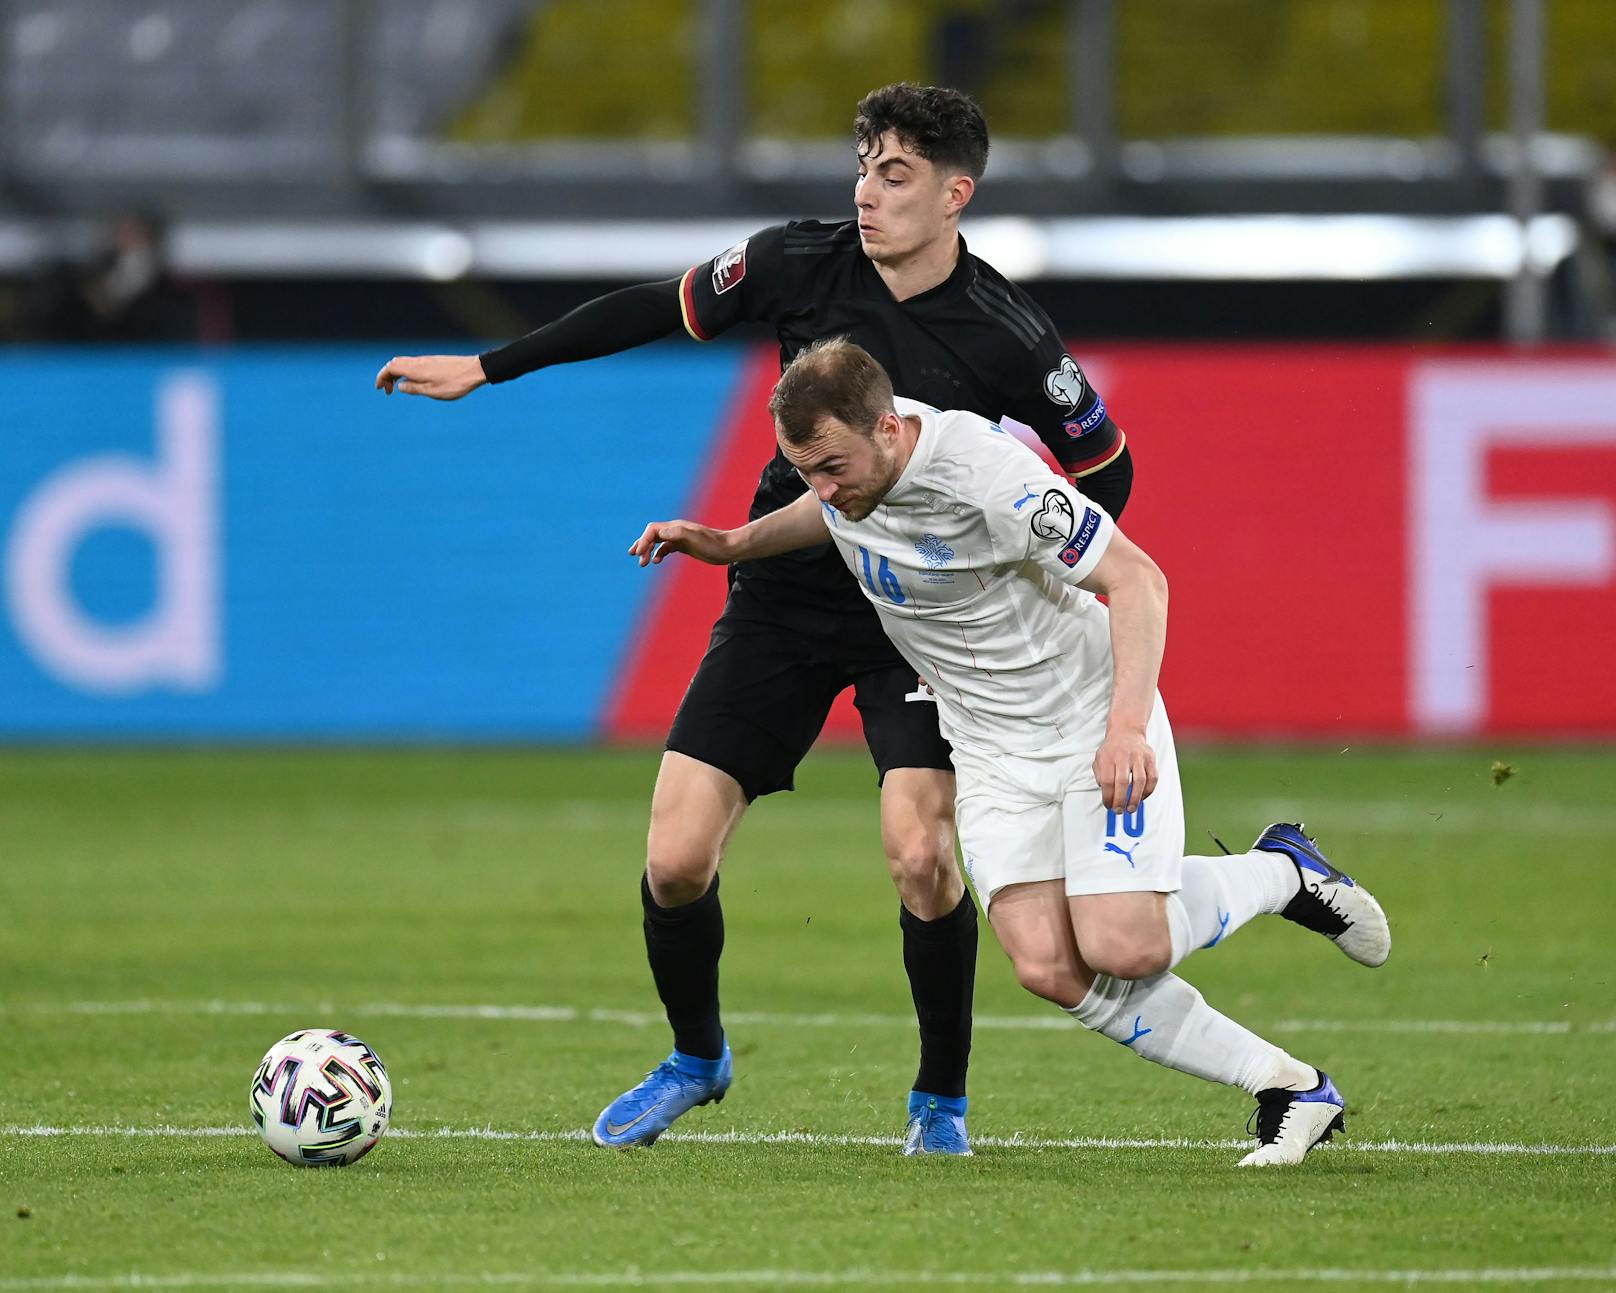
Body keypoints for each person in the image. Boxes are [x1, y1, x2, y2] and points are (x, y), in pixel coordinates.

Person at [376, 84, 1133, 1154]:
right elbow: (654, 305)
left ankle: (938, 1103)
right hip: (781, 593)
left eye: (895, 173)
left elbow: (1107, 468)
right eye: (862, 167)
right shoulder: (797, 263)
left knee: (919, 853)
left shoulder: (1006, 332)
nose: (866, 193)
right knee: (676, 859)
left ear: (955, 193)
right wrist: (490, 367)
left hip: (915, 618)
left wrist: (1017, 566)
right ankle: (696, 1059)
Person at [630, 337, 1392, 1166]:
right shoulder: (854, 481)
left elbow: (1139, 580)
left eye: (832, 465)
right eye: (804, 468)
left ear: (888, 429)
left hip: (1087, 720)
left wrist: (1127, 726)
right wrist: (734, 544)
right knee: (1048, 964)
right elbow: (836, 511)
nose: (822, 487)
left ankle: (1284, 870)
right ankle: (1290, 1086)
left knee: (1124, 945)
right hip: (987, 745)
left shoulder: (992, 479)